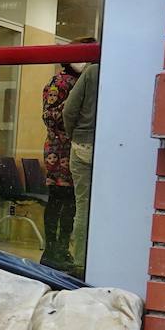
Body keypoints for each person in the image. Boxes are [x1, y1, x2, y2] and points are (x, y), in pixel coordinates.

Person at [39, 62, 81, 271]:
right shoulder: (61, 82)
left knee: (66, 202)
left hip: (65, 148)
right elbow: (50, 115)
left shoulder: (71, 80)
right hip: (60, 149)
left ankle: (59, 249)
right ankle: (53, 251)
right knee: (60, 199)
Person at [62, 59, 99, 278]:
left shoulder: (92, 71)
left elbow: (69, 110)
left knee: (83, 205)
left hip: (84, 144)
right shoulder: (125, 70)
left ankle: (81, 262)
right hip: (114, 146)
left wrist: (74, 135)